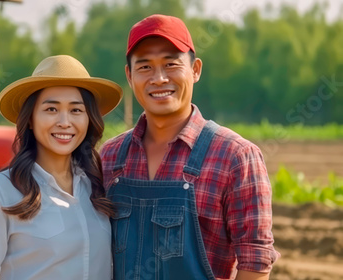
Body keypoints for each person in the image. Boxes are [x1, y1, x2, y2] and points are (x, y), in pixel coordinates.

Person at [100, 14, 280, 280]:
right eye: (145, 67)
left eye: (171, 64)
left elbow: (255, 263)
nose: (159, 78)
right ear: (129, 75)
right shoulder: (110, 155)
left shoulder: (235, 156)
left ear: (195, 69)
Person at [0, 55, 123, 280]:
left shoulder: (98, 186)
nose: (64, 122)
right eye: (51, 109)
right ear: (30, 119)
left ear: (89, 120)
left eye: (76, 110)